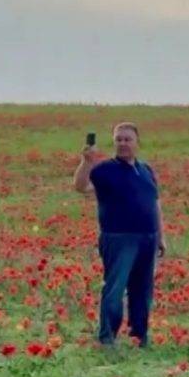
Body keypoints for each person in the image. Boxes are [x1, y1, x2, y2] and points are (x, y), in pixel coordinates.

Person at [72, 122, 165, 347]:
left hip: (147, 238)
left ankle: (139, 337)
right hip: (119, 239)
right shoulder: (105, 170)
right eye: (119, 139)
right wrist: (86, 163)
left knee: (142, 291)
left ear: (137, 143)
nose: (123, 143)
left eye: (127, 139)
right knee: (115, 289)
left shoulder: (146, 170)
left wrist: (161, 236)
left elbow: (155, 203)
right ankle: (107, 338)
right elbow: (81, 187)